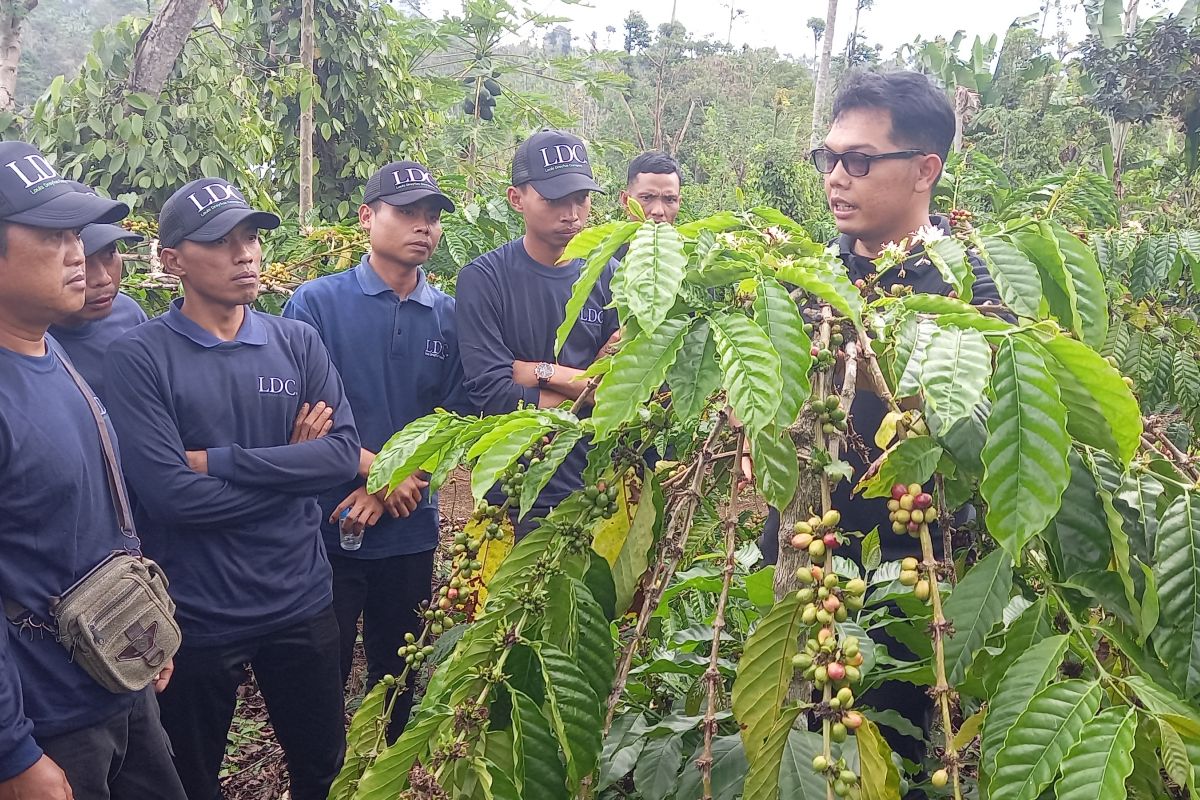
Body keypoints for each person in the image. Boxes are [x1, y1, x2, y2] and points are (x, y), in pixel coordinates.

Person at [761, 69, 1005, 765]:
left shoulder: (971, 286)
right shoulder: (805, 278)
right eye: (828, 158)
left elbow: (990, 425)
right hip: (805, 551)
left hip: (909, 562)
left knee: (888, 748)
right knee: (799, 738)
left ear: (925, 169)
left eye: (859, 161)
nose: (837, 177)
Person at [104, 177, 361, 800]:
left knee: (321, 768)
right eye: (221, 241)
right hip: (198, 616)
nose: (244, 253)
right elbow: (170, 496)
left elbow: (341, 455)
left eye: (250, 237)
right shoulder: (139, 357)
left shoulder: (294, 341)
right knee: (192, 780)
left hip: (300, 600)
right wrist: (292, 470)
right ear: (172, 261)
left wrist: (215, 461)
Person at [0, 142, 185, 800]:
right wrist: (13, 754)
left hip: (112, 677)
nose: (78, 252)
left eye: (76, 232)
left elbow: (101, 514)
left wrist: (145, 630)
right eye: (52, 235)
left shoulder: (50, 349)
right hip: (47, 718)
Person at [283, 160, 471, 739]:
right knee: (321, 674)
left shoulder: (449, 316)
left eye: (432, 216)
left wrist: (398, 480)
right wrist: (373, 477)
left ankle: (383, 771)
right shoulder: (315, 305)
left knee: (398, 672)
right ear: (367, 217)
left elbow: (456, 420)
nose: (424, 227)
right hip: (326, 523)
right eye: (407, 212)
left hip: (410, 525)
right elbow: (302, 419)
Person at [456, 129, 617, 535]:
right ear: (516, 199)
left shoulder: (614, 280)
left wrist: (532, 370)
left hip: (595, 487)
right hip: (510, 491)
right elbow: (492, 391)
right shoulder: (484, 279)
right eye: (554, 199)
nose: (572, 213)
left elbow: (618, 391)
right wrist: (580, 386)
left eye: (580, 198)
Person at [48, 220, 147, 402]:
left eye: (109, 254)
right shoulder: (29, 339)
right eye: (83, 262)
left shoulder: (129, 312)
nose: (103, 278)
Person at [619, 151, 682, 225]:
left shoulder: (692, 236)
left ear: (679, 203)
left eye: (669, 200)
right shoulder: (608, 236)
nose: (658, 211)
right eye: (646, 198)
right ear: (626, 200)